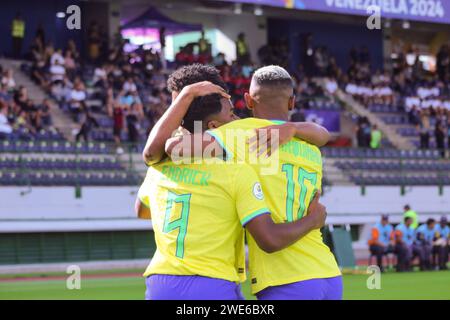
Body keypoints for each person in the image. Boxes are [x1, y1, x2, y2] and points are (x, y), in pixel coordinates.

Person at [155, 65, 341, 300]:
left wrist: (184, 115)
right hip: (328, 273)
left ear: (248, 101)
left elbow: (171, 149)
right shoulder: (312, 146)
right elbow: (323, 134)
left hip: (287, 278)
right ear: (292, 102)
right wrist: (292, 128)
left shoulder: (241, 135)